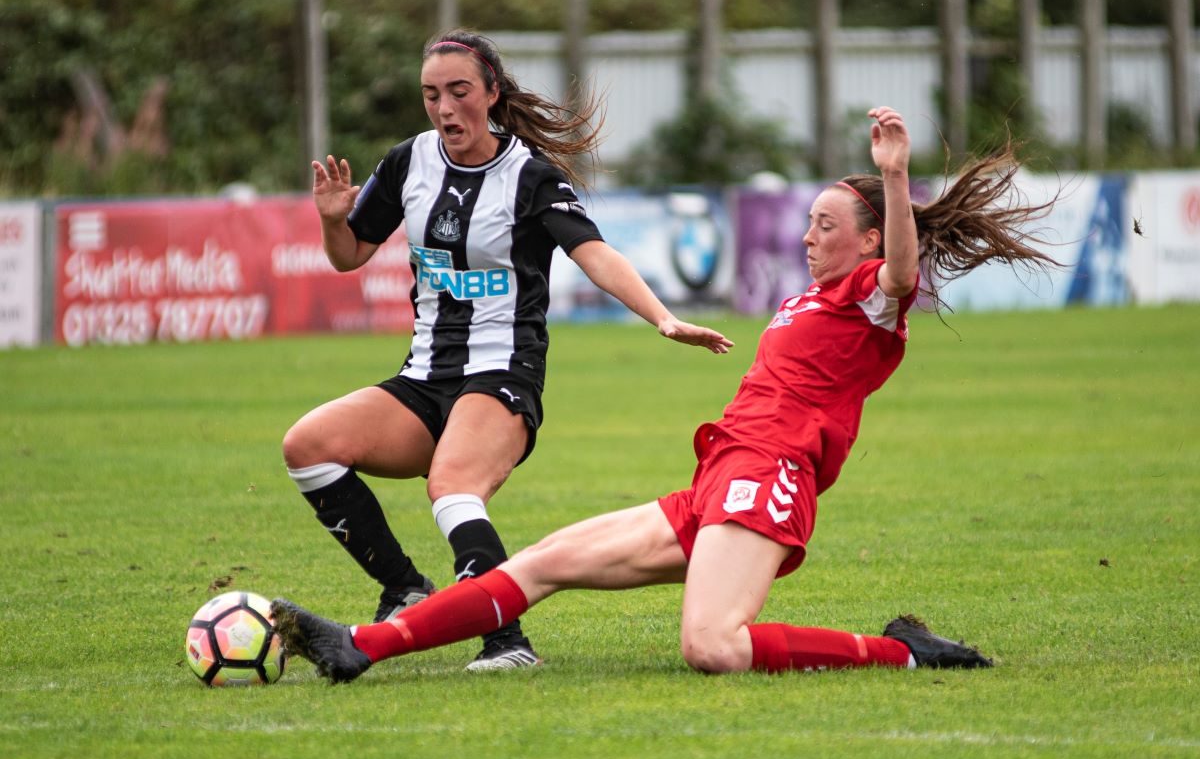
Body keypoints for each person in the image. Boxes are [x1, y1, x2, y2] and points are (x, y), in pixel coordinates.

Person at [272, 106, 1058, 682]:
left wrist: (892, 176)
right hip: (718, 478)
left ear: (868, 236)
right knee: (543, 561)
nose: (808, 236)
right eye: (809, 224)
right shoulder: (806, 299)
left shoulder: (870, 296)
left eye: (823, 224)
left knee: (712, 645)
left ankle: (899, 651)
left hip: (768, 478)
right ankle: (361, 644)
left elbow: (902, 276)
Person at [281, 28, 733, 671]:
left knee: (452, 485)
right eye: (431, 95)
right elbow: (349, 255)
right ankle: (404, 588)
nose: (444, 108)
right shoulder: (409, 161)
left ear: (491, 93)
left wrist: (662, 318)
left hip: (502, 374)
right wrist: (333, 220)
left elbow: (595, 254)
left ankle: (508, 640)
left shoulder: (529, 177)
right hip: (424, 376)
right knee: (307, 446)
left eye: (459, 91)